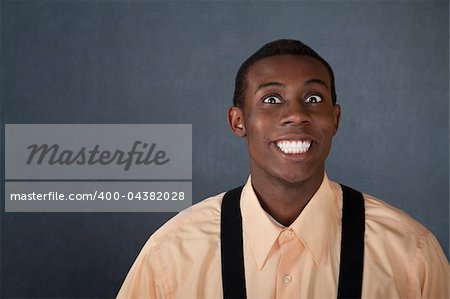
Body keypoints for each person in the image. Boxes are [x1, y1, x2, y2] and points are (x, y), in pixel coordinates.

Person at [117, 39, 449, 298]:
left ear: (335, 119)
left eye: (314, 99)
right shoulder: (172, 254)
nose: (296, 114)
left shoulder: (411, 253)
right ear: (238, 121)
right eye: (272, 99)